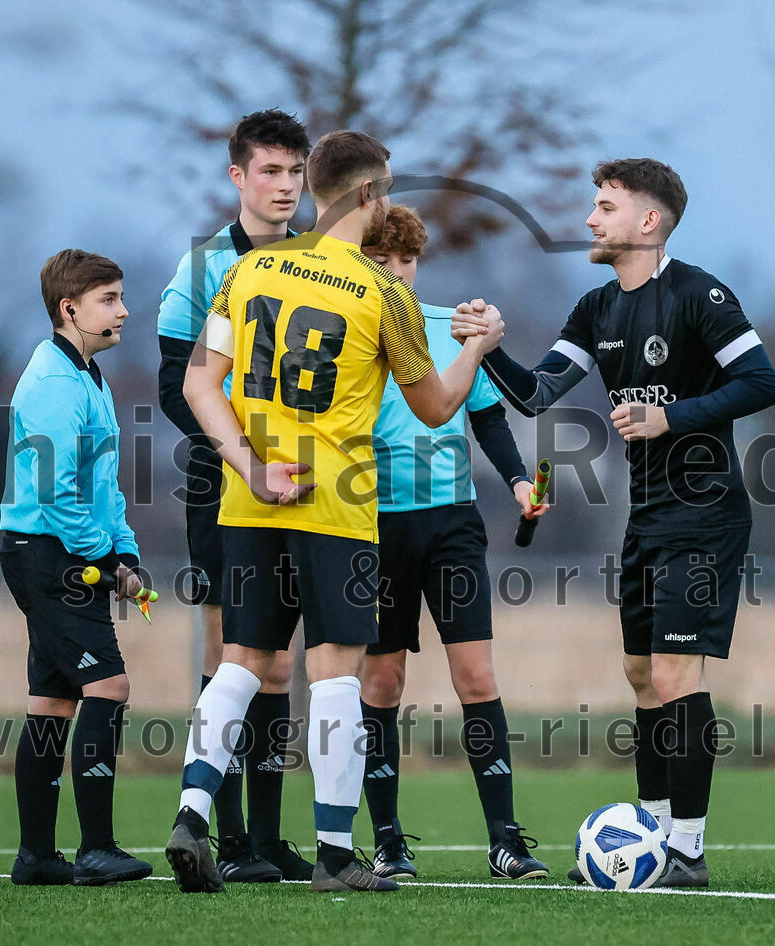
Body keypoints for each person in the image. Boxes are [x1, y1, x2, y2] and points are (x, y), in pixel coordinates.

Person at [164, 130, 504, 893]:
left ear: (314, 188)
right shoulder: (384, 293)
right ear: (369, 196)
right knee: (336, 675)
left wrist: (250, 464)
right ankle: (335, 856)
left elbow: (196, 387)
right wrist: (478, 347)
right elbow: (436, 406)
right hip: (336, 505)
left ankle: (191, 812)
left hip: (251, 498)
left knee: (241, 663)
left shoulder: (249, 271)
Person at [452, 159, 775, 888]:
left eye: (605, 207)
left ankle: (686, 854)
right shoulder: (597, 308)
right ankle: (651, 839)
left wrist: (671, 416)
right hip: (649, 517)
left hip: (706, 516)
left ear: (648, 221)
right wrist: (486, 344)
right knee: (640, 676)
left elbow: (763, 381)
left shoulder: (701, 295)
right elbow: (536, 394)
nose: (591, 220)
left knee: (673, 675)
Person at [358, 205, 548, 881]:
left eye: (406, 262)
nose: (397, 274)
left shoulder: (447, 327)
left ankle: (505, 840)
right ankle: (387, 842)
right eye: (382, 262)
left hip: (452, 524)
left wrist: (522, 482)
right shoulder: (350, 330)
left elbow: (489, 418)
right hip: (374, 527)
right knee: (382, 681)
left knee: (477, 677)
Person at [157, 108, 313, 883]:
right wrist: (244, 454)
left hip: (309, 488)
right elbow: (174, 387)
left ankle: (266, 840)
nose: (285, 187)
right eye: (270, 172)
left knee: (279, 664)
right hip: (221, 487)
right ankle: (222, 833)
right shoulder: (202, 269)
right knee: (231, 655)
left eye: (295, 172)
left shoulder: (321, 265)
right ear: (238, 177)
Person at [0, 249, 153, 886]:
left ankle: (36, 857)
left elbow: (102, 487)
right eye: (109, 300)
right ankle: (97, 848)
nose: (123, 311)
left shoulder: (89, 376)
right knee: (108, 688)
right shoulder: (55, 386)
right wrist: (102, 555)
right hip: (48, 556)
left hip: (60, 553)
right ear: (71, 310)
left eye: (120, 297)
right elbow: (59, 495)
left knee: (51, 703)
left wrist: (125, 551)